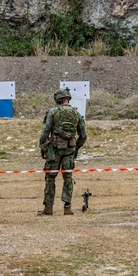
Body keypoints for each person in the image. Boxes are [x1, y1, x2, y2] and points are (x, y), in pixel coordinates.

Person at [38, 88, 87, 216]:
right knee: (68, 178)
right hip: (69, 151)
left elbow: (45, 132)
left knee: (50, 178)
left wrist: (43, 146)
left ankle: (48, 208)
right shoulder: (76, 113)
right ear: (68, 99)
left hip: (54, 151)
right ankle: (67, 208)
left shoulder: (53, 112)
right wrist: (76, 148)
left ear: (58, 99)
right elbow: (83, 135)